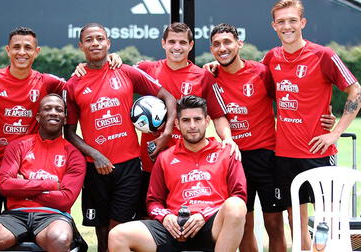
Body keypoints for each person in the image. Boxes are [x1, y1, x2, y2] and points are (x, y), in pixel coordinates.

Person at [0, 27, 120, 225]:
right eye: (16, 47)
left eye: (28, 47)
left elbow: (77, 85)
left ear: (37, 51)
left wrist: (91, 64)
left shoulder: (47, 82)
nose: (22, 52)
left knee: (21, 228)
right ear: (8, 50)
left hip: (24, 176)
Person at [73, 22, 239, 218]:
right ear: (163, 43)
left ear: (191, 46)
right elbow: (110, 72)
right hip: (149, 163)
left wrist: (227, 138)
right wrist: (108, 58)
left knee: (184, 218)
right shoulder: (146, 68)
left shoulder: (203, 76)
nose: (177, 47)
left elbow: (218, 115)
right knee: (147, 220)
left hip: (187, 163)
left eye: (182, 43)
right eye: (172, 42)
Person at [64, 22, 177, 252]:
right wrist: (95, 155)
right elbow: (69, 132)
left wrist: (165, 135)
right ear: (81, 46)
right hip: (95, 167)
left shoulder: (125, 71)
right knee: (102, 230)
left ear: (108, 43)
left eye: (99, 38)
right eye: (89, 40)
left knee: (120, 229)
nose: (95, 43)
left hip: (128, 166)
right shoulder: (73, 84)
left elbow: (168, 97)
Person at [263, 0, 361, 249]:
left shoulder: (323, 55)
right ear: (274, 25)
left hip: (318, 152)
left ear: (302, 23)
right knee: (296, 221)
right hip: (284, 154)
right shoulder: (271, 58)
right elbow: (261, 90)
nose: (287, 26)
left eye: (292, 20)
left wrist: (336, 132)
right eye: (281, 21)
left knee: (327, 223)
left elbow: (355, 90)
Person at [108, 95, 247, 252]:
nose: (192, 125)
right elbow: (153, 202)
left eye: (197, 119)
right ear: (177, 124)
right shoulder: (165, 157)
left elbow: (239, 197)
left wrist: (204, 215)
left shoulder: (226, 153)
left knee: (236, 206)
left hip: (210, 225)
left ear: (207, 121)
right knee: (117, 235)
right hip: (174, 228)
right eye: (186, 120)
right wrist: (166, 217)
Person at [0, 94, 87, 252]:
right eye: (47, 109)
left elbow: (65, 200)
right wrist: (51, 185)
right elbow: (5, 186)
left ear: (65, 119)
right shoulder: (18, 146)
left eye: (59, 110)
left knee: (59, 238)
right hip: (16, 215)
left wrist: (22, 189)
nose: (53, 112)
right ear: (38, 117)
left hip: (54, 216)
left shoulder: (74, 154)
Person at [209, 23, 286, 252]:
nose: (222, 48)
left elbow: (287, 100)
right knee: (243, 226)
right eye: (216, 44)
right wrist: (228, 139)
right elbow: (218, 116)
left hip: (266, 156)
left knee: (275, 225)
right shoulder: (210, 78)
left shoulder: (261, 72)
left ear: (239, 44)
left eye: (227, 42)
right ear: (212, 49)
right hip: (234, 159)